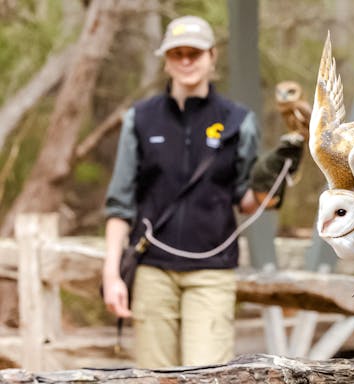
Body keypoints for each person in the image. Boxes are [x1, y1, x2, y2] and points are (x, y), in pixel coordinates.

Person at [102, 15, 302, 368]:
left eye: (194, 53)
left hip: (212, 272)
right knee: (154, 377)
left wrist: (274, 179)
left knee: (208, 375)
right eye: (176, 53)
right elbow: (120, 205)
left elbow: (248, 200)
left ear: (212, 57)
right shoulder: (141, 118)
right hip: (152, 271)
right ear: (166, 60)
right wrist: (111, 275)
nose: (185, 61)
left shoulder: (238, 120)